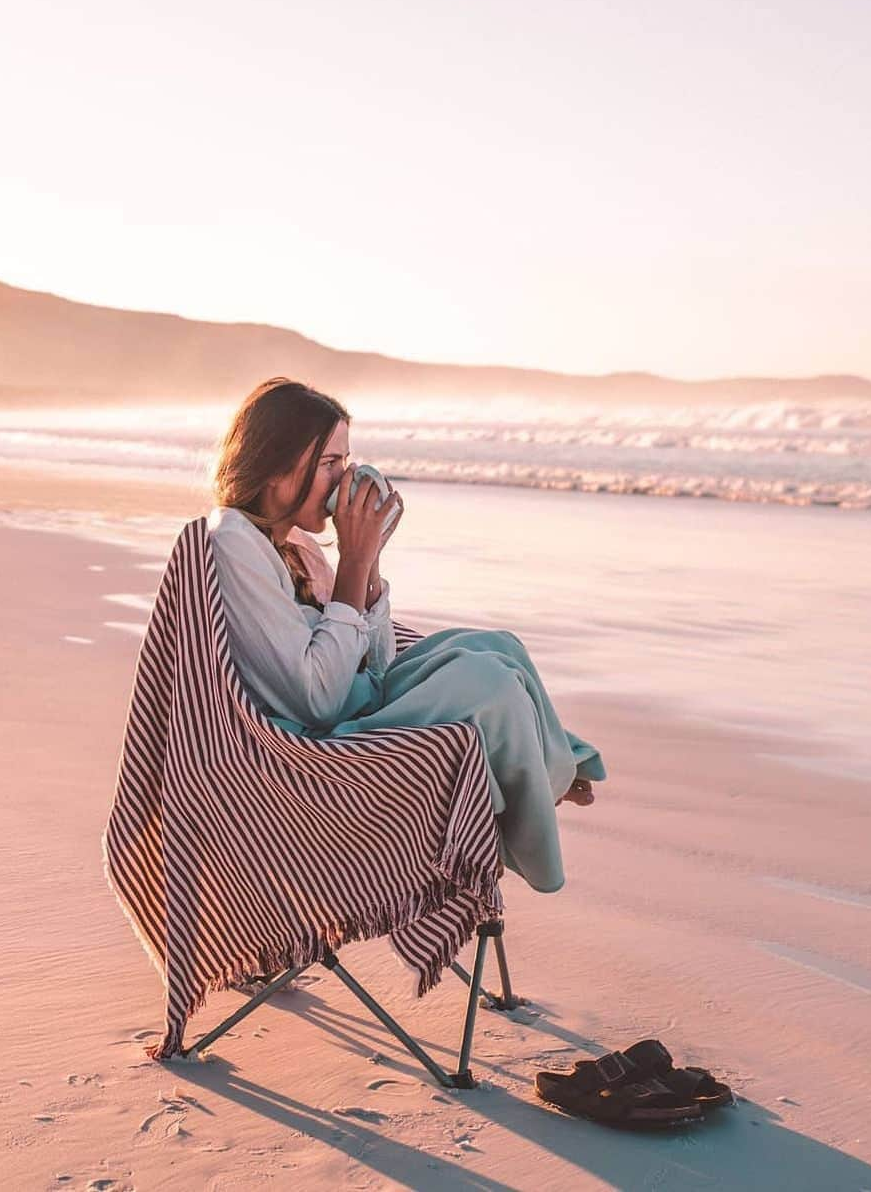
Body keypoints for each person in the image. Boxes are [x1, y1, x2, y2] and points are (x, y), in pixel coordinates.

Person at [207, 377, 605, 893]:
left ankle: (545, 767)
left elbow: (374, 661)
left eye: (345, 461)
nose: (343, 478)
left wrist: (367, 566)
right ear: (277, 466)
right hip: (309, 754)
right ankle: (538, 794)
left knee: (500, 647)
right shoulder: (233, 542)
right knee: (487, 682)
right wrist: (351, 560)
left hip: (357, 703)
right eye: (329, 463)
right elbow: (315, 700)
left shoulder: (295, 546)